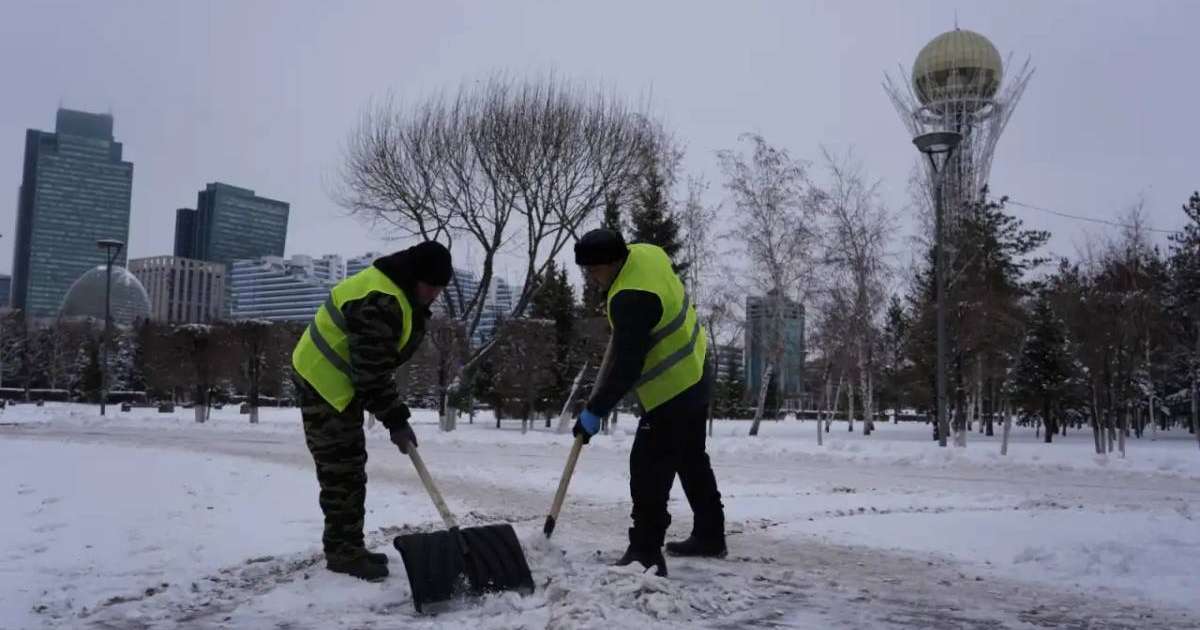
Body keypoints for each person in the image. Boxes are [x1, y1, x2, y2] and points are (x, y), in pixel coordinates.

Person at [291, 241, 451, 581]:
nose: (434, 295)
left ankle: (347, 547)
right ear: (415, 277)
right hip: (323, 378)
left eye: (440, 288)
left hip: (339, 379)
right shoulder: (381, 302)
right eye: (431, 286)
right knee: (342, 469)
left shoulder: (399, 292)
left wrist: (393, 415)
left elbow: (374, 368)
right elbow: (370, 372)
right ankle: (344, 554)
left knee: (348, 466)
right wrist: (396, 419)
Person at [573, 228, 726, 578]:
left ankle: (645, 551)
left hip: (673, 386)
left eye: (595, 270)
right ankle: (710, 534)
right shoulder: (647, 253)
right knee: (690, 457)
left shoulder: (631, 298)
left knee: (648, 467)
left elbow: (627, 365)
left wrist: (595, 411)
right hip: (697, 366)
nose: (593, 278)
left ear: (613, 262)